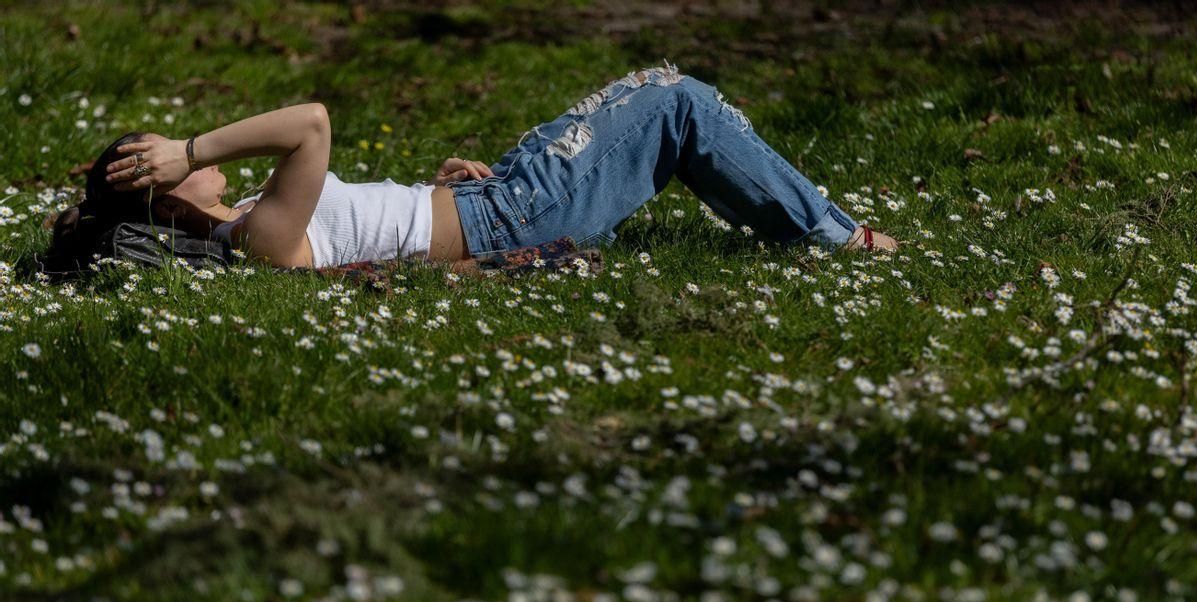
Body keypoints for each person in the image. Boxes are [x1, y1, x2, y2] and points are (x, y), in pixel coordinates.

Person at [49, 63, 898, 271]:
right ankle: (836, 238)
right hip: (514, 215)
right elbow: (311, 122)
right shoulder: (258, 243)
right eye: (178, 157)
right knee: (676, 99)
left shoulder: (248, 232)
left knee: (658, 95)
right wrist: (192, 149)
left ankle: (811, 222)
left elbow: (378, 221)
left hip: (494, 198)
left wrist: (440, 193)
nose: (196, 152)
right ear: (163, 192)